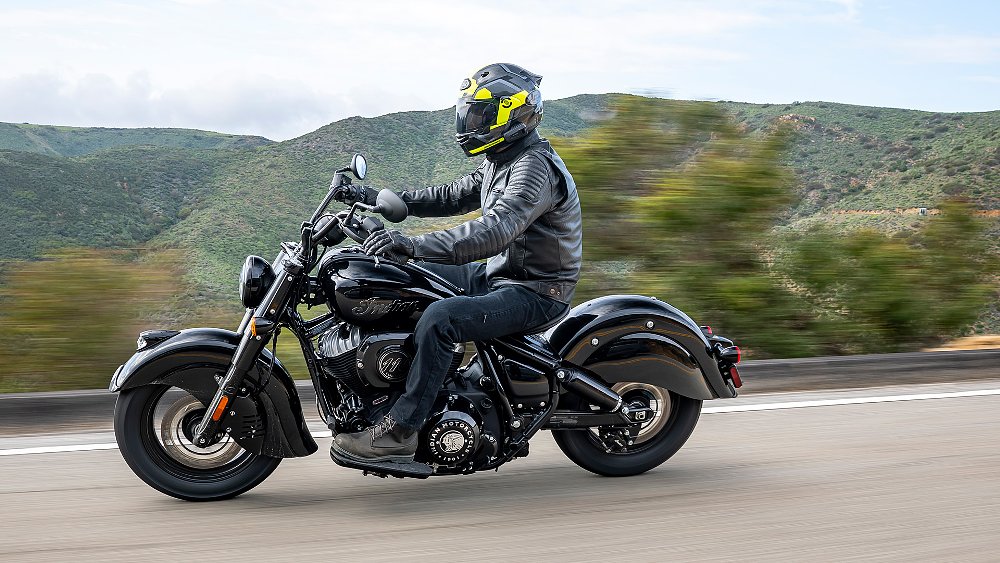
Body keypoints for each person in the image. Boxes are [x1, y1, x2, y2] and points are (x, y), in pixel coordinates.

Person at [331, 63, 582, 464]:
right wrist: (380, 196)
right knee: (400, 280)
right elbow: (452, 195)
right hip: (499, 275)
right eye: (470, 113)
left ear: (511, 113)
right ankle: (396, 382)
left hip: (535, 290)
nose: (472, 122)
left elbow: (495, 232)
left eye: (482, 114)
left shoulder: (534, 169)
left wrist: (410, 245)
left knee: (441, 318)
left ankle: (402, 430)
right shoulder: (502, 159)